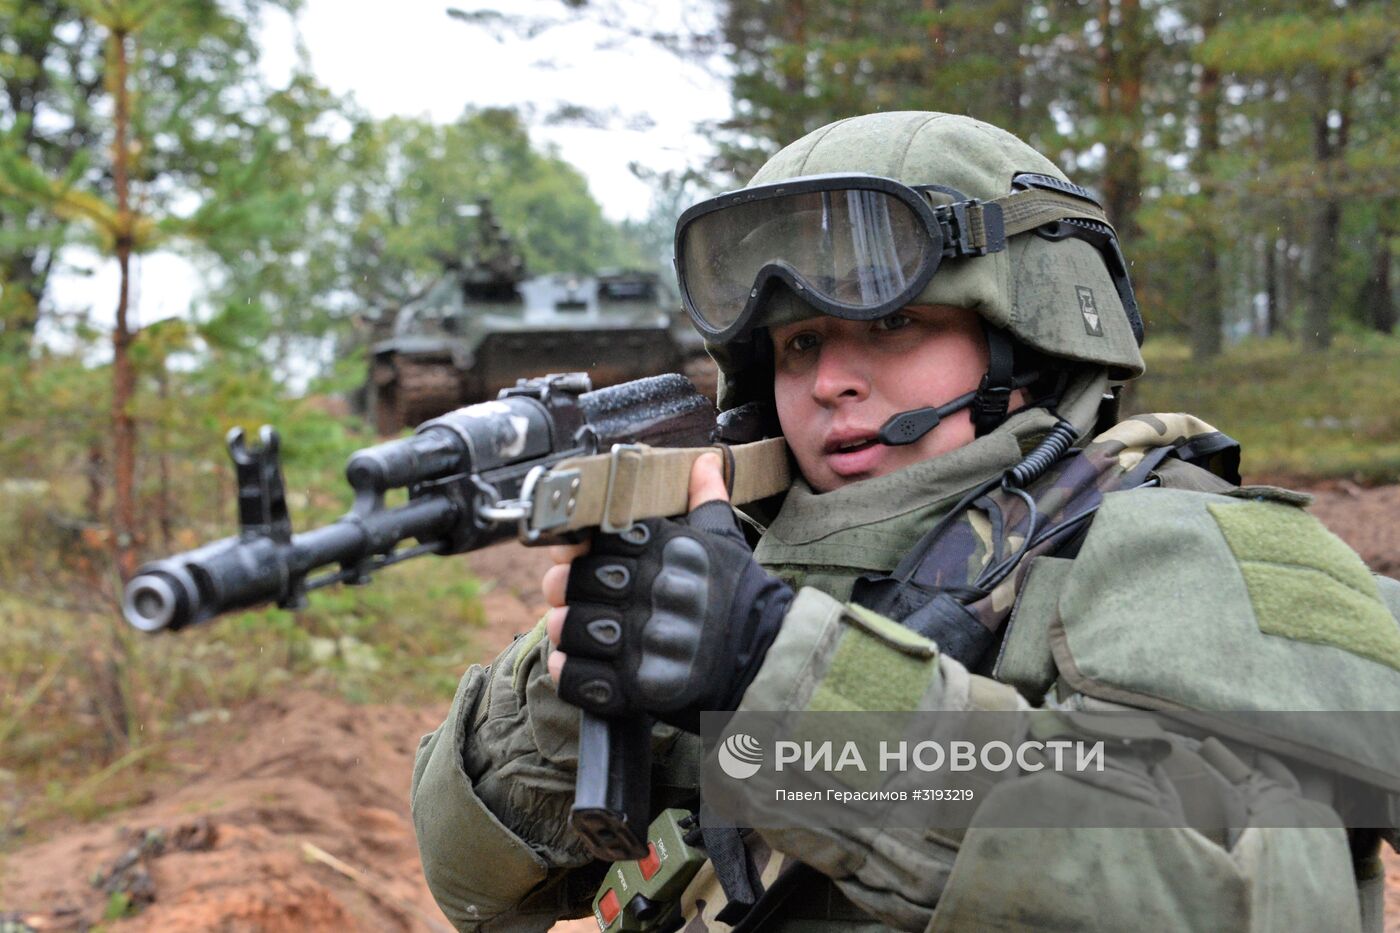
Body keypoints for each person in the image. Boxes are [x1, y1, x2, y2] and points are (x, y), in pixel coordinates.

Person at [412, 111, 1400, 932]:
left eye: (891, 325)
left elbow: (1242, 903)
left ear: (1030, 328)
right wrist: (556, 687)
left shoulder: (1188, 552)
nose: (829, 379)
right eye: (797, 343)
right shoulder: (746, 558)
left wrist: (777, 675)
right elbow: (474, 886)